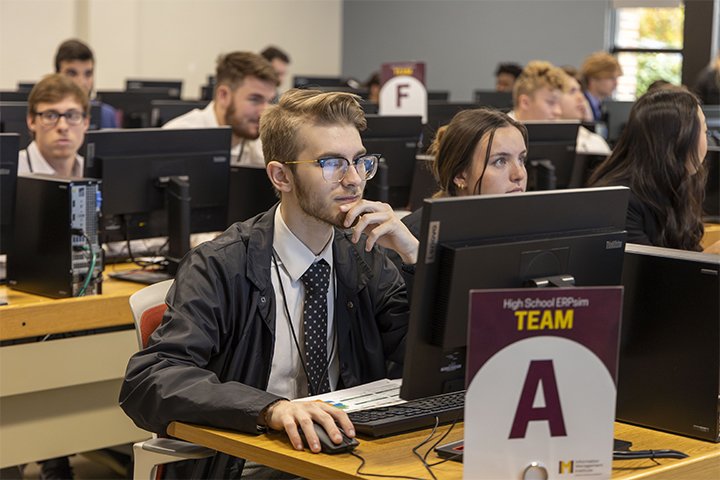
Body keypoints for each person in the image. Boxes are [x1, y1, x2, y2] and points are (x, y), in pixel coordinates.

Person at [119, 89, 418, 478]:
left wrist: (416, 258)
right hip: (249, 464)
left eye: (360, 161)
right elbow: (150, 378)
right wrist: (270, 408)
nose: (354, 179)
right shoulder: (220, 264)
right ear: (281, 175)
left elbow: (425, 360)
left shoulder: (365, 256)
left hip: (347, 458)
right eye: (331, 163)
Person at [588, 89, 720, 253]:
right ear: (677, 140)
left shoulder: (677, 182)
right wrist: (709, 256)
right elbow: (644, 272)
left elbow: (685, 252)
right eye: (704, 132)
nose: (706, 141)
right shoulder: (617, 201)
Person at [402, 107, 528, 237]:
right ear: (460, 175)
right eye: (500, 161)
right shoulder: (412, 236)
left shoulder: (527, 225)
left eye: (521, 159)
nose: (519, 174)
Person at [163, 51, 278, 167]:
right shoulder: (175, 140)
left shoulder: (265, 146)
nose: (265, 112)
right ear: (223, 95)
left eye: (270, 101)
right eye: (255, 99)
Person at [19, 74, 89, 177]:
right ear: (31, 121)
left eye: (72, 115)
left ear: (86, 123)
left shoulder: (98, 175)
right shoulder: (11, 173)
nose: (63, 127)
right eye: (51, 116)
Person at [54, 39, 118, 128]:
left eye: (88, 74)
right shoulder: (46, 115)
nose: (82, 82)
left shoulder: (106, 115)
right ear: (57, 75)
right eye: (72, 74)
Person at [558, 71, 611, 156]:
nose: (581, 97)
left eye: (580, 91)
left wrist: (589, 121)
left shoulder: (595, 141)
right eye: (572, 91)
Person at [579, 51, 622, 122]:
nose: (616, 83)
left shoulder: (601, 106)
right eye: (611, 78)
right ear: (593, 78)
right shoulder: (581, 105)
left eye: (616, 78)